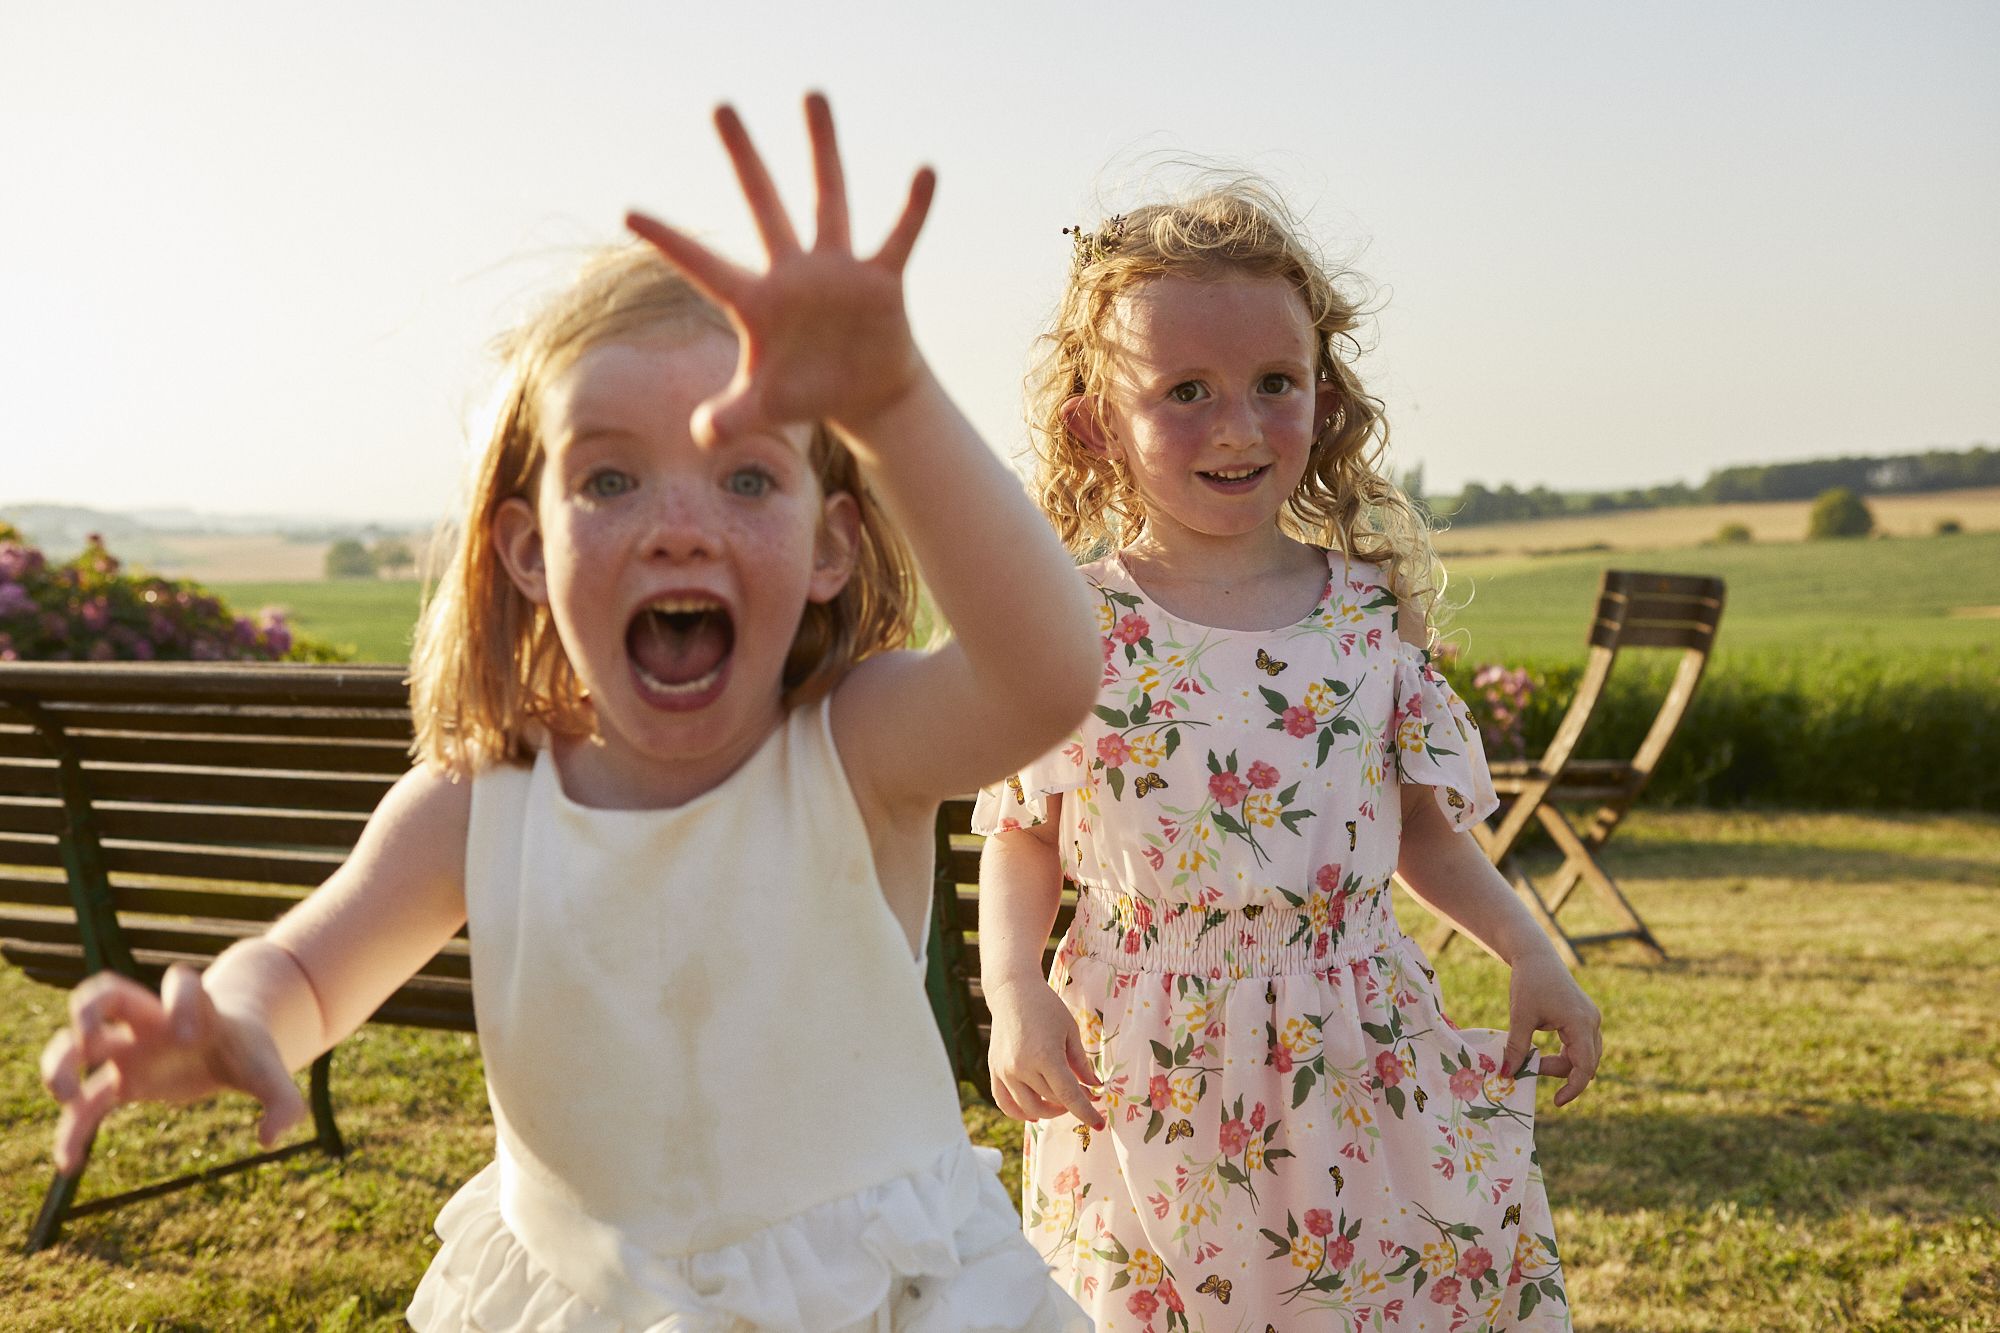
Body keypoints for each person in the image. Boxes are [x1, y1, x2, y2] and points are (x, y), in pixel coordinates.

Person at [40, 97, 1099, 1333]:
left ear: (831, 544)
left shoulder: (855, 748)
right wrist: (233, 1020)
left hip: (883, 1301)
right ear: (526, 551)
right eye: (606, 476)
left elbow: (1042, 673)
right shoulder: (479, 801)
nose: (677, 520)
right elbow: (305, 968)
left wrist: (894, 398)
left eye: (748, 473)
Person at [974, 184, 1603, 1331]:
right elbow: (1023, 833)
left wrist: (1529, 948)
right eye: (1184, 392)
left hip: (1354, 1054)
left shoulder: (1364, 615)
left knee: (1368, 1294)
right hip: (1144, 1060)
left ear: (1324, 394)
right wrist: (1014, 988)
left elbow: (1422, 832)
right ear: (1093, 424)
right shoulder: (1072, 625)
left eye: (1275, 383)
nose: (1237, 424)